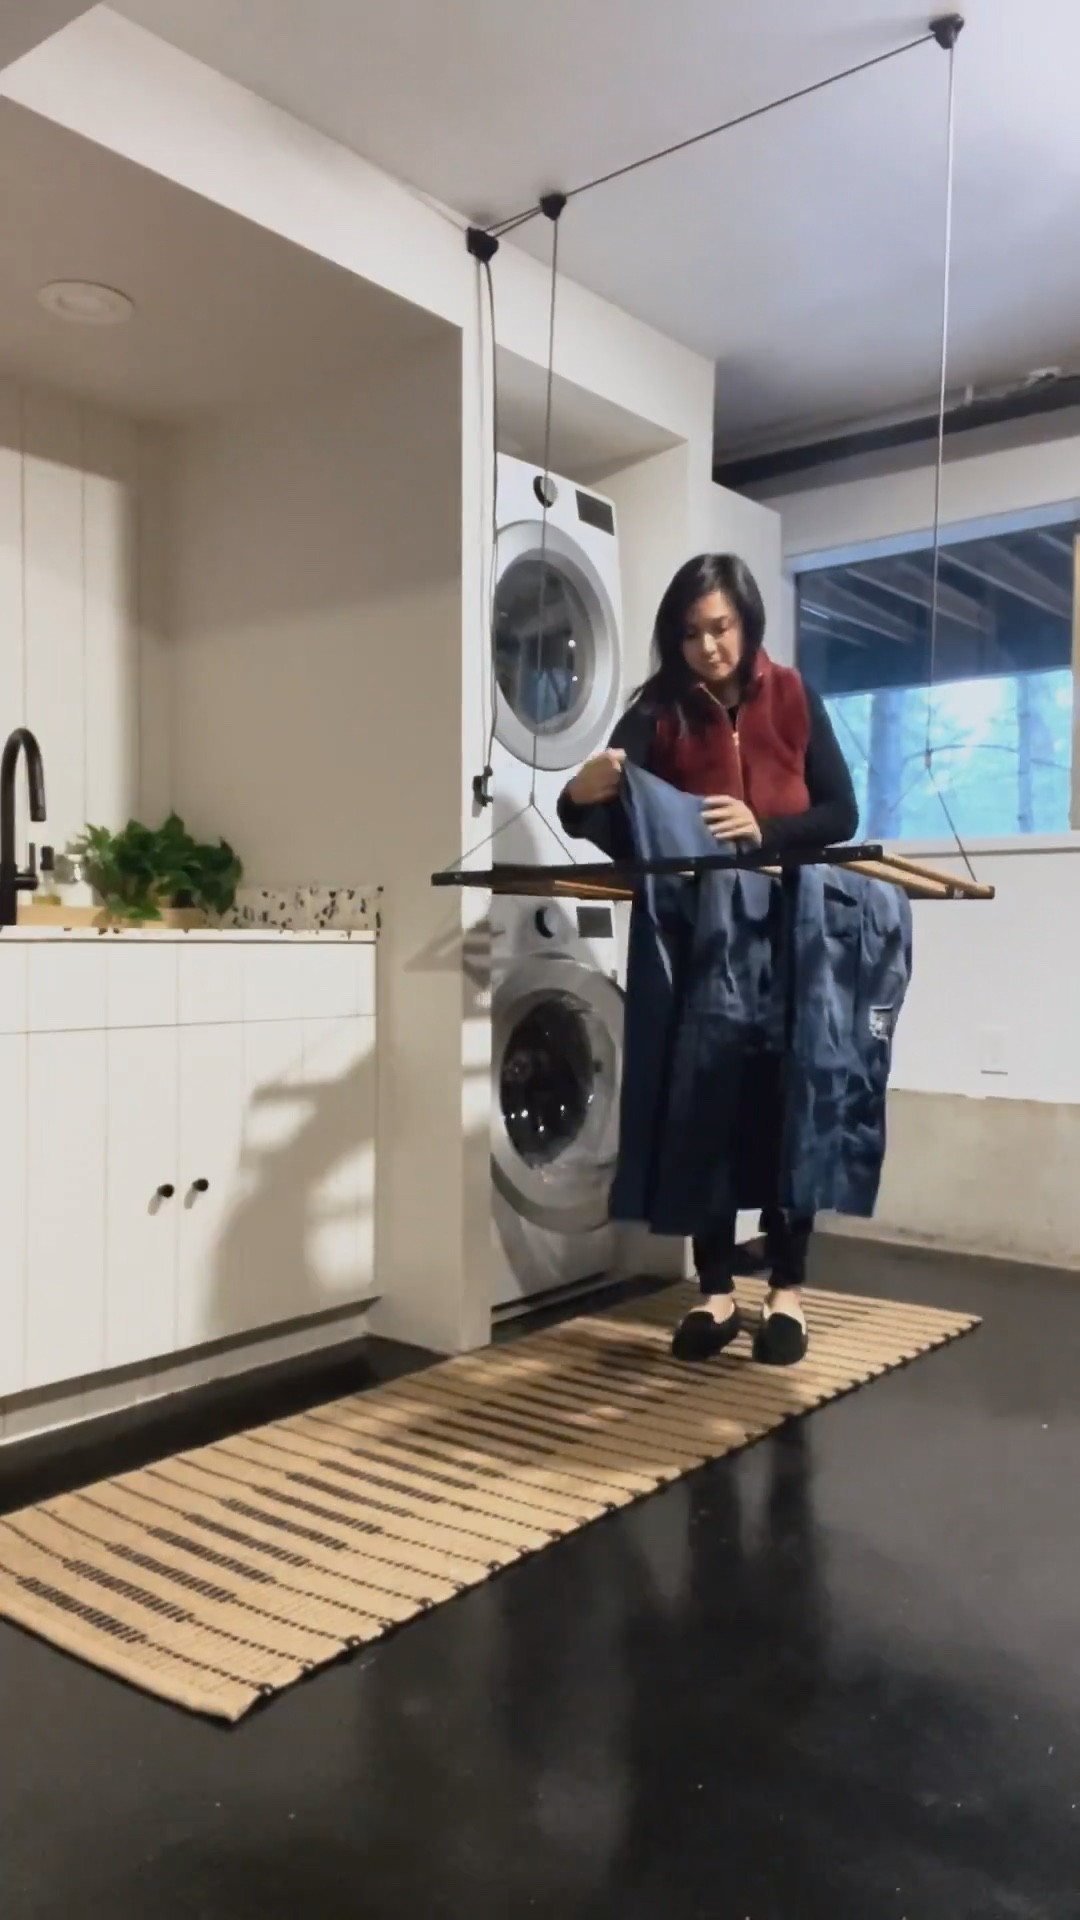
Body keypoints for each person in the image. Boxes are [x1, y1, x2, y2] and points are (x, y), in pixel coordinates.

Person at [557, 552, 858, 1367]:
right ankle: (716, 1291)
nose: (708, 646)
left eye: (720, 627)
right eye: (689, 633)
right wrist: (581, 792)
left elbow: (841, 809)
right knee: (706, 1104)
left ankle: (786, 1292)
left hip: (793, 933)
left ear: (747, 620)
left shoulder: (793, 695)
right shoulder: (657, 711)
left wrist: (764, 829)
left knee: (788, 1097)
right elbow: (591, 809)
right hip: (701, 941)